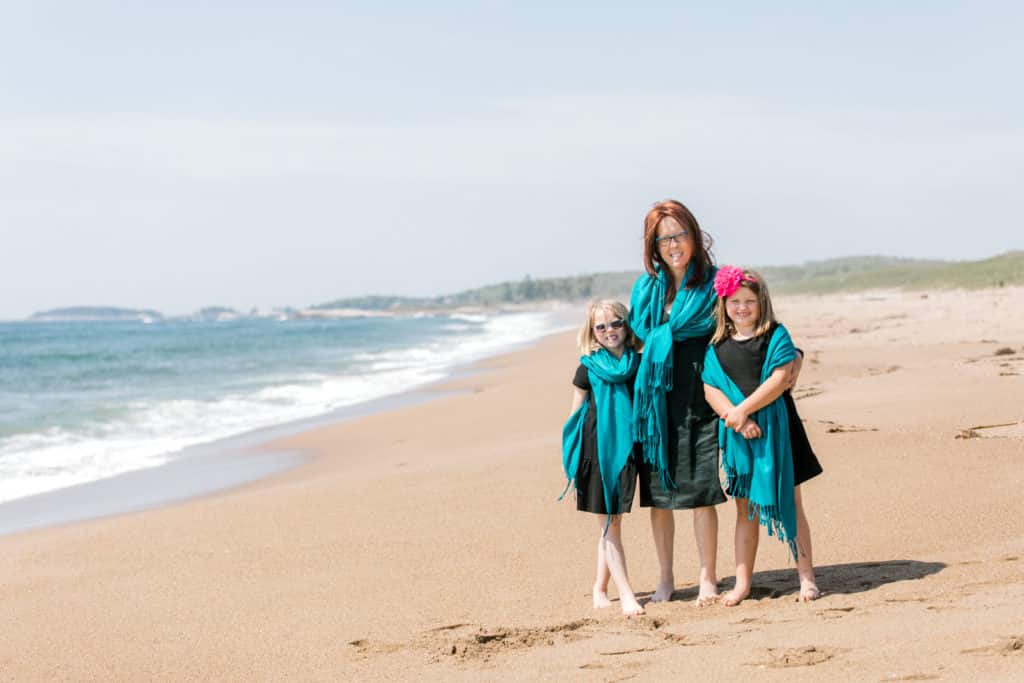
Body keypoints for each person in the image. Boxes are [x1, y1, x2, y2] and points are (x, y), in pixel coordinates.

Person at [701, 266, 823, 606]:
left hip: (780, 433)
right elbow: (711, 388)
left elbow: (780, 378)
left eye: (750, 301)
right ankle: (742, 583)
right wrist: (737, 420)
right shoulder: (718, 346)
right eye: (735, 301)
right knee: (744, 511)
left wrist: (745, 410)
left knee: (792, 504)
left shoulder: (774, 335)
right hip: (740, 438)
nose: (742, 307)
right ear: (724, 304)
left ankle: (806, 577)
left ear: (761, 302)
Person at [629, 200, 725, 605]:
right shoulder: (646, 289)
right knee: (661, 496)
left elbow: (739, 324)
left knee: (703, 491)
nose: (674, 244)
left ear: (694, 235)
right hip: (654, 405)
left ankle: (707, 577)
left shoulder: (714, 282)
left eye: (680, 234)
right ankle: (665, 578)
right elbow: (633, 340)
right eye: (664, 237)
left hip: (700, 395)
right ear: (653, 246)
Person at [561, 300, 645, 616]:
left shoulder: (638, 363)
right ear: (592, 332)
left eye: (615, 323)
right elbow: (574, 416)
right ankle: (626, 595)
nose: (609, 331)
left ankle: (599, 587)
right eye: (601, 326)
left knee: (612, 523)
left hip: (628, 449)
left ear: (626, 325)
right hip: (596, 452)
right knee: (609, 524)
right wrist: (571, 459)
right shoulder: (588, 367)